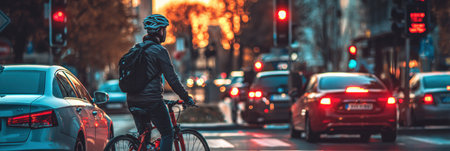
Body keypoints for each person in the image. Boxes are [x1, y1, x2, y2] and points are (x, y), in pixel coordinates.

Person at [126, 14, 195, 151]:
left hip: (132, 100)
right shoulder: (159, 51)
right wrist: (186, 97)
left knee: (144, 138)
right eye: (164, 29)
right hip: (151, 101)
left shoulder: (135, 49)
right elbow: (172, 79)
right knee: (168, 134)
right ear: (160, 30)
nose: (165, 32)